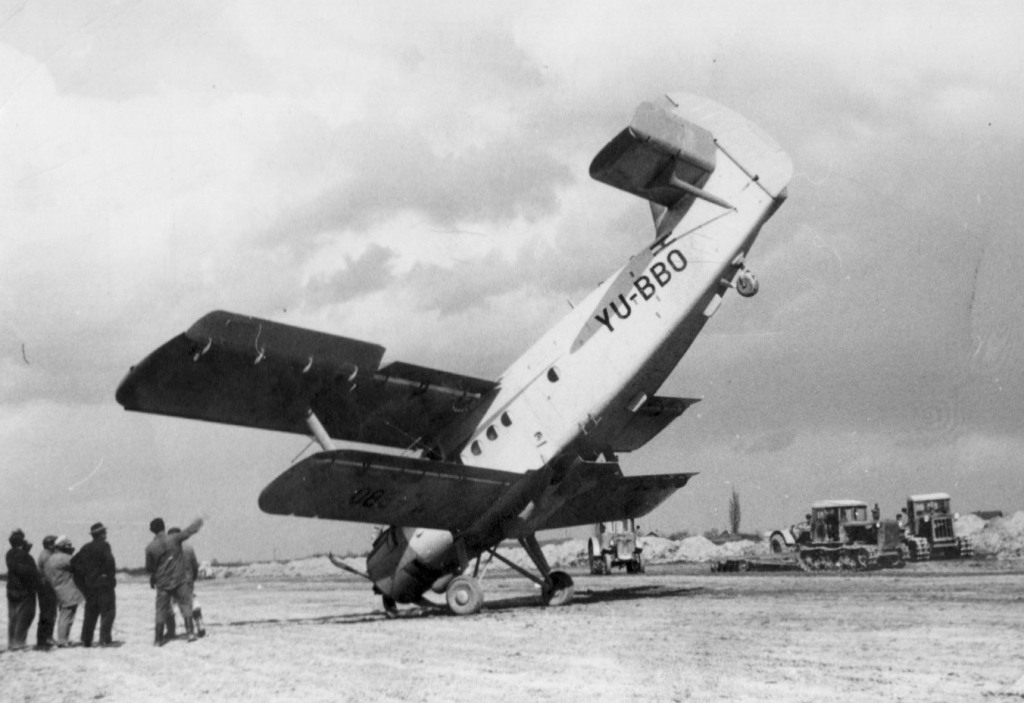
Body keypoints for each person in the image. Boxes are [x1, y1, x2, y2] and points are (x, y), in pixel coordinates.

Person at [145, 517, 203, 645]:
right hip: (179, 580)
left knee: (161, 610)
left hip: (163, 583)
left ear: (152, 531)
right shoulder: (174, 538)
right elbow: (189, 531)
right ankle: (190, 633)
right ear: (164, 527)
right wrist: (199, 522)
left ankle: (158, 639)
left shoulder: (150, 548)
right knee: (186, 606)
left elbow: (150, 568)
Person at [71, 522, 117, 647]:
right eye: (104, 532)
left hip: (90, 586)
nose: (106, 534)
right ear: (101, 534)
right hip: (104, 585)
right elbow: (110, 563)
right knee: (108, 612)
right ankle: (104, 638)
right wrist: (111, 580)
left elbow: (73, 563)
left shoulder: (85, 547)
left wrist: (82, 584)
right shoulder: (105, 546)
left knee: (90, 613)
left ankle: (86, 639)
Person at [43, 536, 84, 647]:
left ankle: (63, 638)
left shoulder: (51, 558)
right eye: (68, 545)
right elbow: (79, 566)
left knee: (64, 615)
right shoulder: (65, 558)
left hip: (57, 589)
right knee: (67, 616)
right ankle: (62, 640)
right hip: (68, 589)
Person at [165, 526, 206, 638]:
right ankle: (199, 626)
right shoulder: (189, 548)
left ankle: (171, 631)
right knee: (192, 604)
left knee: (169, 607)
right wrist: (192, 578)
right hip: (188, 582)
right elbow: (195, 566)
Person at [6, 529, 41, 651]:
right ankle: (19, 642)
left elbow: (15, 567)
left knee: (13, 617)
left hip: (12, 590)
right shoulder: (26, 556)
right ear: (21, 542)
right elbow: (28, 571)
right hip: (25, 591)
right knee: (25, 617)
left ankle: (12, 642)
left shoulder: (9, 554)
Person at [35, 535, 58, 650]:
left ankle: (43, 638)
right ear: (50, 544)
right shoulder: (48, 556)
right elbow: (50, 575)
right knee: (49, 613)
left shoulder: (44, 554)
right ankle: (46, 638)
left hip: (43, 588)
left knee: (46, 613)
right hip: (47, 588)